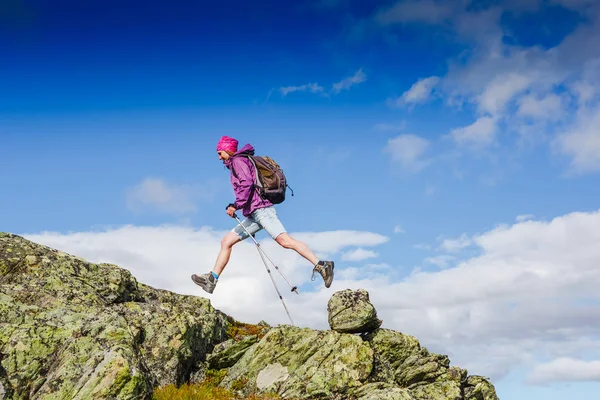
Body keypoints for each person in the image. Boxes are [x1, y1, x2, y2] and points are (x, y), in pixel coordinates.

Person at [191, 135, 334, 294]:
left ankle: (322, 265)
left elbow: (247, 184)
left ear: (228, 150)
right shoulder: (237, 162)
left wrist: (236, 205)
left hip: (262, 210)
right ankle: (211, 280)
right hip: (254, 213)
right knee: (226, 242)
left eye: (220, 153)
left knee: (285, 241)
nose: (218, 157)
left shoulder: (238, 161)